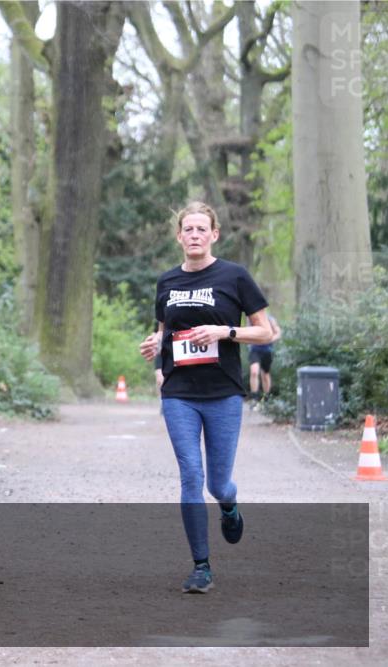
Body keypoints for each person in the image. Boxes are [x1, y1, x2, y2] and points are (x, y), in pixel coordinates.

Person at [139, 201, 273, 594]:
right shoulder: (167, 282)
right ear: (179, 236)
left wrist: (224, 332)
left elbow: (264, 332)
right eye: (188, 229)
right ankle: (201, 566)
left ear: (214, 234)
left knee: (218, 483)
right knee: (190, 476)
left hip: (223, 392)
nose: (195, 235)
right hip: (179, 392)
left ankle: (229, 507)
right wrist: (154, 342)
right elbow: (165, 331)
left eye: (202, 229)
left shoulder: (234, 276)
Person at [248, 314, 281, 403]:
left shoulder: (270, 319)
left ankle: (266, 398)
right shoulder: (251, 318)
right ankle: (254, 398)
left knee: (265, 375)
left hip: (267, 351)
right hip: (254, 350)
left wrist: (269, 339)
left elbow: (278, 333)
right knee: (254, 371)